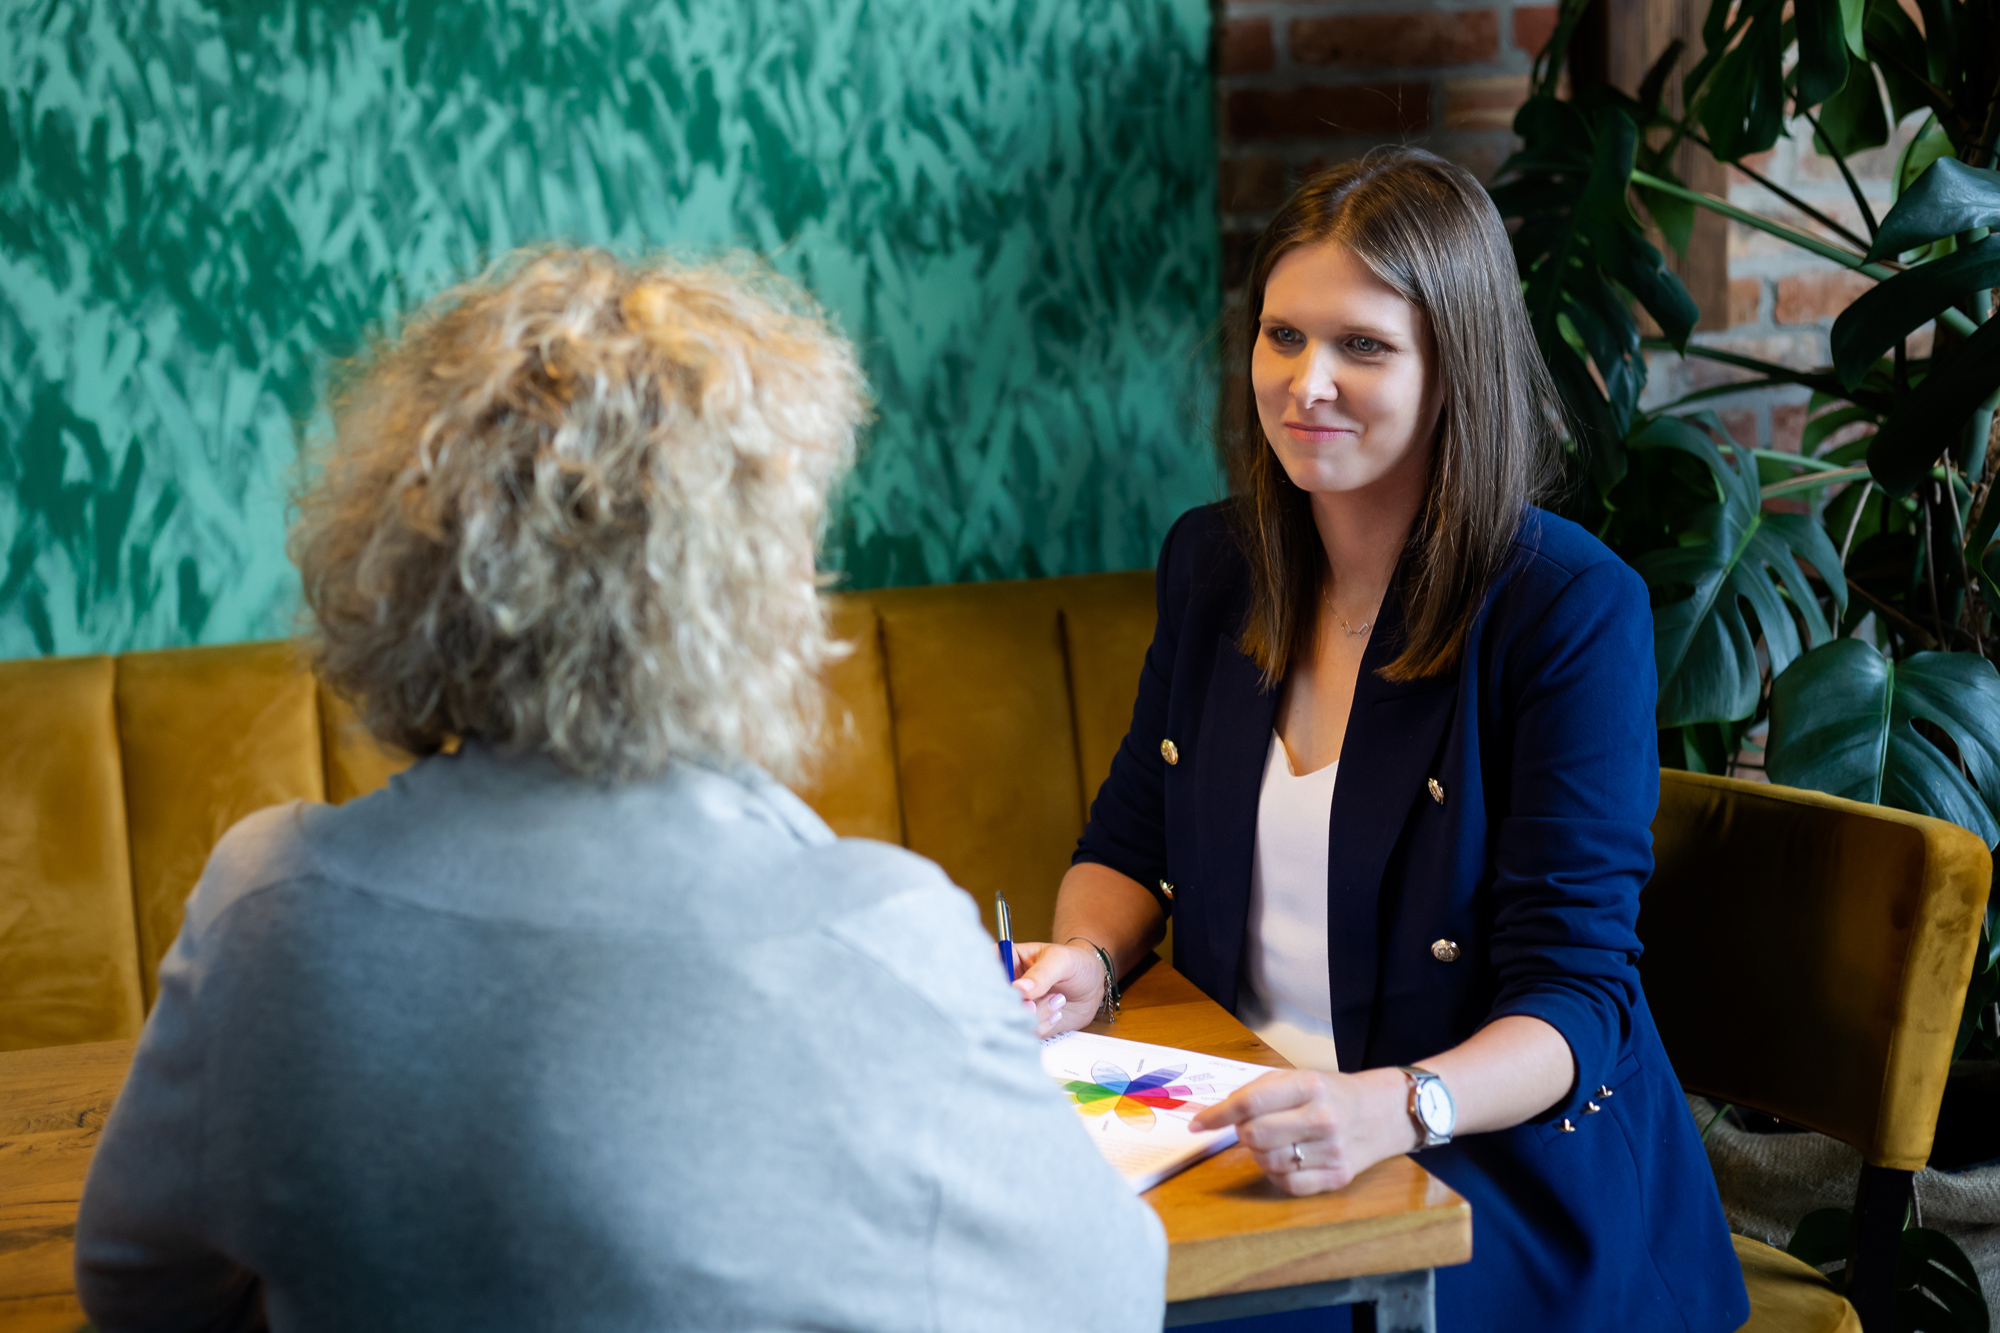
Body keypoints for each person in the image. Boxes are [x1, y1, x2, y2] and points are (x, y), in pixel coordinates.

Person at [73, 249, 1165, 1332]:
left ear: (402, 566)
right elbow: (1107, 1294)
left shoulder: (262, 905)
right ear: (741, 589)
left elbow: (135, 1287)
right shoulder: (878, 934)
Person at [1012, 149, 1749, 1331]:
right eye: (1282, 336)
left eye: (1362, 345)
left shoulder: (1564, 608)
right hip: (1241, 1127)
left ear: (1452, 368)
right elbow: (1124, 844)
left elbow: (1575, 1001)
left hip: (1485, 1170)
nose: (1306, 382)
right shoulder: (1214, 563)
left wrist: (1391, 1108)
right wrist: (1082, 965)